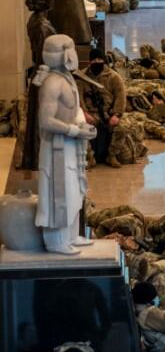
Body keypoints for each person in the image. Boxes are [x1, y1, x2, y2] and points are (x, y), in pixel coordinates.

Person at [35, 34, 97, 254]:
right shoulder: (52, 83)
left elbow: (74, 109)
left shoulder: (66, 78)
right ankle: (56, 241)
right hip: (57, 147)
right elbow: (46, 120)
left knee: (74, 191)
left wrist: (83, 124)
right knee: (58, 194)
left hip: (72, 145)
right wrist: (74, 130)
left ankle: (71, 235)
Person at [77, 49, 126, 167]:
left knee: (122, 129)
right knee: (80, 129)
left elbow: (120, 96)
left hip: (108, 113)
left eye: (99, 60)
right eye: (94, 60)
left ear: (103, 61)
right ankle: (89, 157)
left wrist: (116, 115)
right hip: (90, 113)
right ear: (90, 61)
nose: (97, 62)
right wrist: (84, 113)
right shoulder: (82, 77)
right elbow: (78, 97)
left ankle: (112, 156)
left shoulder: (113, 77)